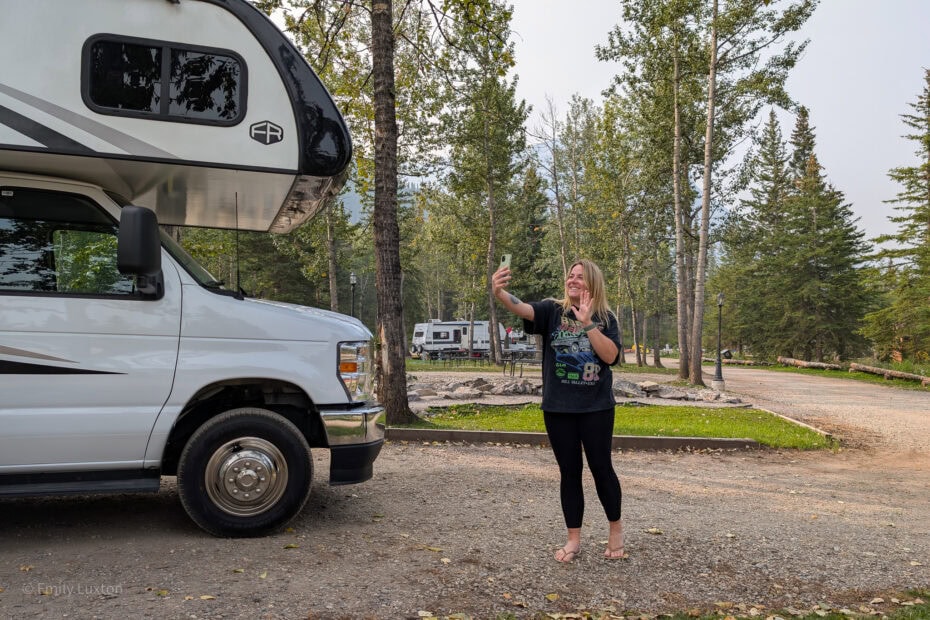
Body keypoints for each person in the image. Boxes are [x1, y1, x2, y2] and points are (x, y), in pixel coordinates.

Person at [491, 258, 625, 563]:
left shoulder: (606, 318)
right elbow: (522, 308)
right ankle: (573, 538)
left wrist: (589, 323)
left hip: (596, 408)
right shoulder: (553, 310)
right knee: (570, 473)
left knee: (601, 469)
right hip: (558, 408)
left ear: (593, 283)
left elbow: (611, 356)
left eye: (580, 277)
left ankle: (615, 529)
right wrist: (499, 293)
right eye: (570, 275)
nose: (573, 280)